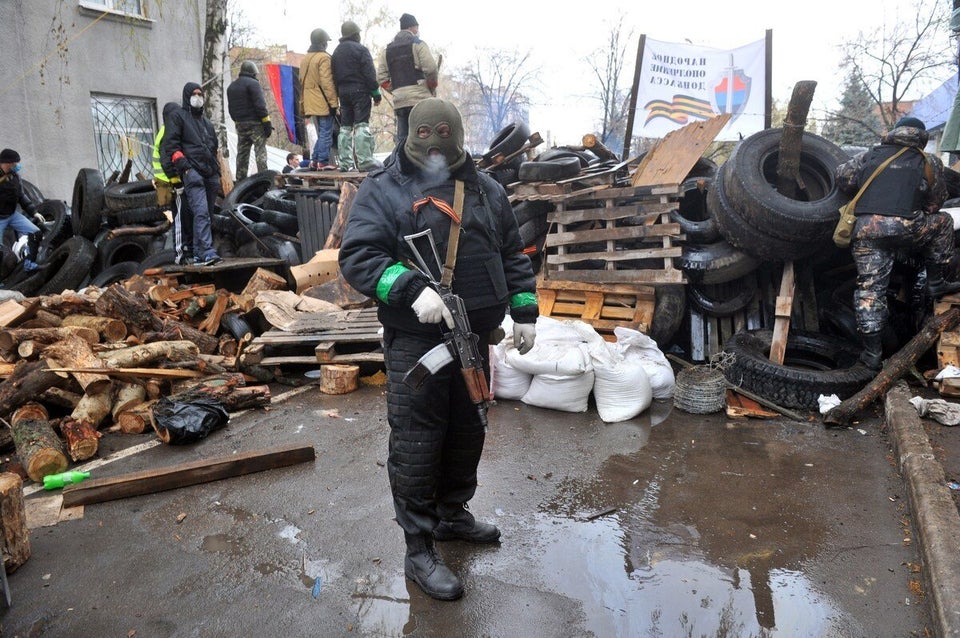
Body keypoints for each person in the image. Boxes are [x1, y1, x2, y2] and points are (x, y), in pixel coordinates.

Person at [338, 98, 539, 601]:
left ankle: (452, 515)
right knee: (417, 444)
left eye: (441, 139)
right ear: (412, 136)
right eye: (424, 138)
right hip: (417, 343)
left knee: (467, 434)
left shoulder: (486, 190)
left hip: (472, 340)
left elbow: (512, 252)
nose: (432, 148)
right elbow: (358, 256)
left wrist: (525, 311)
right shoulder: (382, 191)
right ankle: (419, 548)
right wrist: (410, 289)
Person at [836, 115, 960, 370]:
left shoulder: (870, 155)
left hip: (867, 231)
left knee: (870, 291)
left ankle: (871, 355)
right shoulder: (928, 161)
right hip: (907, 228)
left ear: (895, 132)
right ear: (922, 136)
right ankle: (937, 282)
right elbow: (936, 203)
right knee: (944, 221)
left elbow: (843, 178)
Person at [161, 82, 222, 267]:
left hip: (209, 173)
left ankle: (199, 253)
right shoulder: (178, 117)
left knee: (206, 214)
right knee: (200, 212)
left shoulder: (206, 123)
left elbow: (213, 147)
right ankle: (206, 251)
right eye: (194, 94)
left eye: (200, 94)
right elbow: (171, 146)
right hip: (192, 173)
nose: (198, 97)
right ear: (187, 96)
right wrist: (186, 168)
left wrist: (216, 171)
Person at [377, 13, 439, 144]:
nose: (418, 31)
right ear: (412, 27)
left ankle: (401, 163)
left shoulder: (387, 50)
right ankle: (424, 164)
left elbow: (381, 79)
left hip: (400, 101)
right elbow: (432, 68)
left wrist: (396, 90)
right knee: (424, 137)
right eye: (417, 27)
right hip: (420, 100)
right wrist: (431, 86)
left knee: (403, 140)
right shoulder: (418, 44)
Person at [331, 20, 382, 172]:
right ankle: (365, 160)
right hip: (360, 92)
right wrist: (376, 93)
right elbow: (369, 74)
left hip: (343, 93)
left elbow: (333, 75)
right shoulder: (361, 50)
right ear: (355, 34)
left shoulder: (336, 52)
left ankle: (345, 163)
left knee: (345, 127)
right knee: (361, 126)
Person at [152, 102, 188, 263]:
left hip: (164, 181)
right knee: (174, 219)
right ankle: (170, 256)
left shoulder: (164, 130)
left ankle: (171, 254)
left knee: (173, 218)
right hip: (167, 183)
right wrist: (176, 181)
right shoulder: (168, 132)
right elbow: (167, 161)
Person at [300, 28, 339, 170]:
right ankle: (322, 161)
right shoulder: (324, 58)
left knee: (322, 132)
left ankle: (314, 160)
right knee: (326, 132)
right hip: (323, 100)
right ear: (323, 42)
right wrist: (334, 103)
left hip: (310, 101)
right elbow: (327, 82)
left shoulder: (306, 58)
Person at [226, 60, 272, 180]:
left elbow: (231, 109)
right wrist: (266, 122)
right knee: (260, 152)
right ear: (252, 72)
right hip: (256, 124)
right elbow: (260, 105)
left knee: (242, 155)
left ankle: (240, 182)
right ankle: (264, 179)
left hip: (240, 125)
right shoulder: (253, 84)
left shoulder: (232, 86)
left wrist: (237, 121)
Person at [0, 148, 41, 269]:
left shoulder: (15, 176)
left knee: (36, 233)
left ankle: (29, 263)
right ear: (7, 163)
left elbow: (22, 196)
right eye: (15, 163)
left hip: (12, 215)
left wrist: (34, 212)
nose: (18, 166)